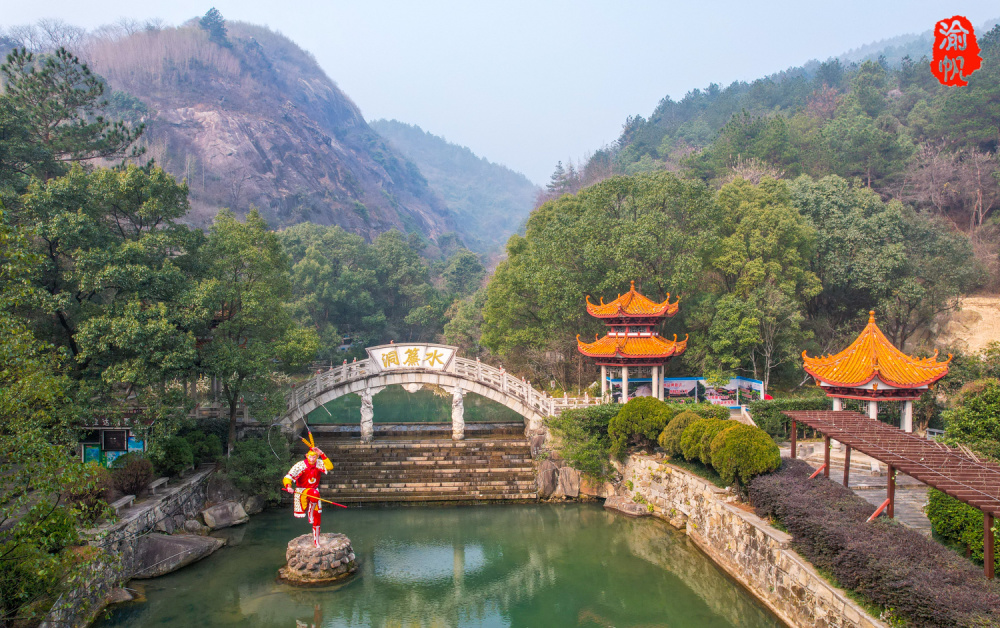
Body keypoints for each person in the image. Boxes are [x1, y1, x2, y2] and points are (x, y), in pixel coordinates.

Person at [283, 444, 333, 524]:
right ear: (306, 456)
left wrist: (322, 454)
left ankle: (316, 535)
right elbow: (288, 477)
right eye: (310, 457)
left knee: (317, 516)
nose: (312, 459)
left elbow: (330, 467)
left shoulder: (319, 463)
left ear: (317, 457)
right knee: (314, 493)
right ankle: (310, 511)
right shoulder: (300, 465)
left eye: (314, 457)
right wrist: (288, 486)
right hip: (302, 491)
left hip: (314, 491)